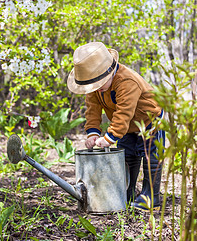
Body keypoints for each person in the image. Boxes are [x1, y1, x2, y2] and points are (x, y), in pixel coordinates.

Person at [67, 42, 165, 211]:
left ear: (110, 73)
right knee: (127, 157)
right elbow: (93, 110)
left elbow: (124, 112)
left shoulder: (126, 81)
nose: (97, 90)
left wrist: (110, 137)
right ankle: (127, 191)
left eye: (99, 85)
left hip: (149, 122)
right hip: (127, 127)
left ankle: (151, 196)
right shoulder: (94, 86)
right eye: (93, 87)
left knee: (150, 158)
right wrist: (92, 133)